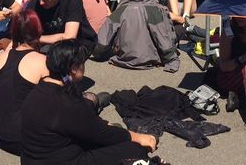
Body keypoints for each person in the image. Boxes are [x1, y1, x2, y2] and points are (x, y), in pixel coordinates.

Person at [21, 39, 156, 165]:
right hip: (64, 160)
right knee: (135, 149)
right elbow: (101, 134)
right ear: (74, 68)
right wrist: (137, 137)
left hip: (32, 159)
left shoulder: (38, 90)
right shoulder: (67, 102)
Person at [0, 9, 48, 155]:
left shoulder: (0, 58)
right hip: (28, 141)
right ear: (38, 31)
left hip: (2, 136)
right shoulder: (42, 62)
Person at [27, 0, 97, 53]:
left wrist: (36, 39)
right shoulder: (34, 4)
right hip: (50, 44)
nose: (41, 3)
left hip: (79, 42)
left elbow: (70, 36)